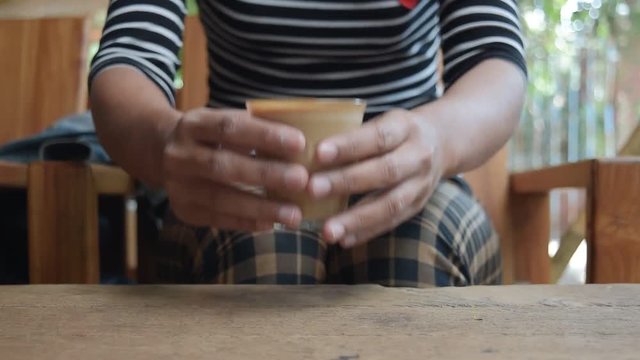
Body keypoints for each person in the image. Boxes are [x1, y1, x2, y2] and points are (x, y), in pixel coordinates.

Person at [89, 0, 526, 286]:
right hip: (229, 185)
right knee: (256, 262)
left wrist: (438, 139)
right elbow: (128, 58)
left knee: (422, 249)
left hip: (415, 184)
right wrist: (166, 142)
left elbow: (495, 58)